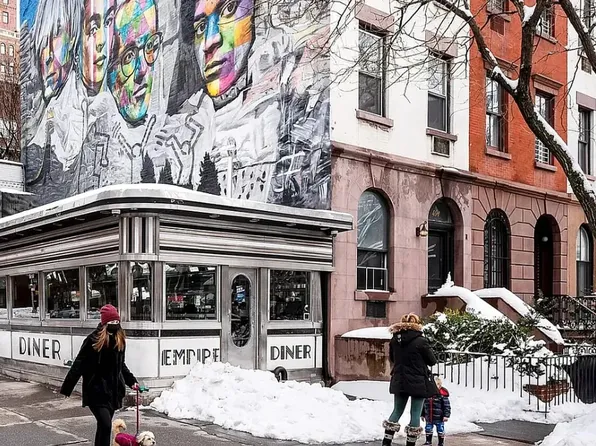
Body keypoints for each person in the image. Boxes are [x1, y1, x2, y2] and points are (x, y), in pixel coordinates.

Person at [60, 305, 139, 446]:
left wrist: (132, 381)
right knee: (106, 425)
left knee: (103, 428)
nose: (115, 325)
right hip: (96, 391)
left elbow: (121, 365)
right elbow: (78, 365)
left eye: (117, 322)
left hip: (113, 392)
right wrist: (67, 388)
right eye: (112, 322)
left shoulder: (119, 340)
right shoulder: (92, 340)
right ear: (104, 323)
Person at [382, 313, 438, 446]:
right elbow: (432, 361)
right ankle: (410, 443)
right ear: (417, 324)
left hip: (399, 379)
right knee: (415, 413)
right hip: (418, 381)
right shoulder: (421, 341)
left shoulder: (394, 340)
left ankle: (386, 442)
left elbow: (392, 359)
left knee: (397, 411)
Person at [422, 377, 451, 446]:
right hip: (429, 417)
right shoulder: (427, 395)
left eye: (436, 385)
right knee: (428, 429)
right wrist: (422, 414)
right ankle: (428, 441)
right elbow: (423, 405)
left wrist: (446, 416)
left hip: (439, 417)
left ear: (439, 386)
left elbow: (446, 406)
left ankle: (441, 442)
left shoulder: (442, 396)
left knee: (440, 429)